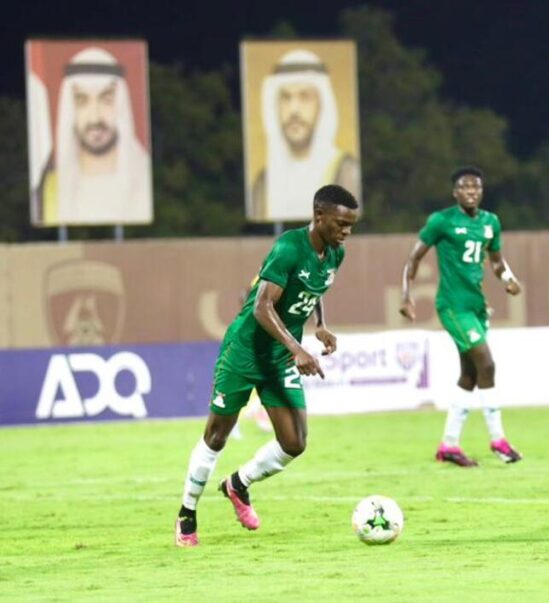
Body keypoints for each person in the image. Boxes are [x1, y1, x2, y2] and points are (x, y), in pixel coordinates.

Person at [175, 184, 359, 547]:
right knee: (216, 436)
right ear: (318, 216)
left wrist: (319, 325)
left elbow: (313, 290)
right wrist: (297, 349)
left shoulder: (336, 253)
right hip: (245, 352)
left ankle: (238, 484)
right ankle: (186, 513)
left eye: (351, 225)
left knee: (295, 442)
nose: (346, 231)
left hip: (279, 354)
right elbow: (262, 307)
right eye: (340, 223)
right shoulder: (289, 247)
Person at [400, 166, 524, 467]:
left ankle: (449, 446)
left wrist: (508, 277)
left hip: (476, 306)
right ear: (455, 192)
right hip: (452, 306)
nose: (471, 192)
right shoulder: (441, 221)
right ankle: (499, 441)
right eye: (465, 187)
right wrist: (405, 295)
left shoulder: (490, 222)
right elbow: (414, 257)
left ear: (481, 191)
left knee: (469, 375)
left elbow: (496, 261)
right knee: (487, 364)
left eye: (476, 187)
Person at [35, 46, 153, 225]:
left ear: (121, 105)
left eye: (106, 99)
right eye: (81, 101)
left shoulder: (145, 178)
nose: (95, 117)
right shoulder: (51, 188)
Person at [250, 49, 361, 220]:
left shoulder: (346, 171)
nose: (294, 110)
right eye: (286, 98)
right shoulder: (263, 184)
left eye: (305, 97)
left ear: (322, 105)